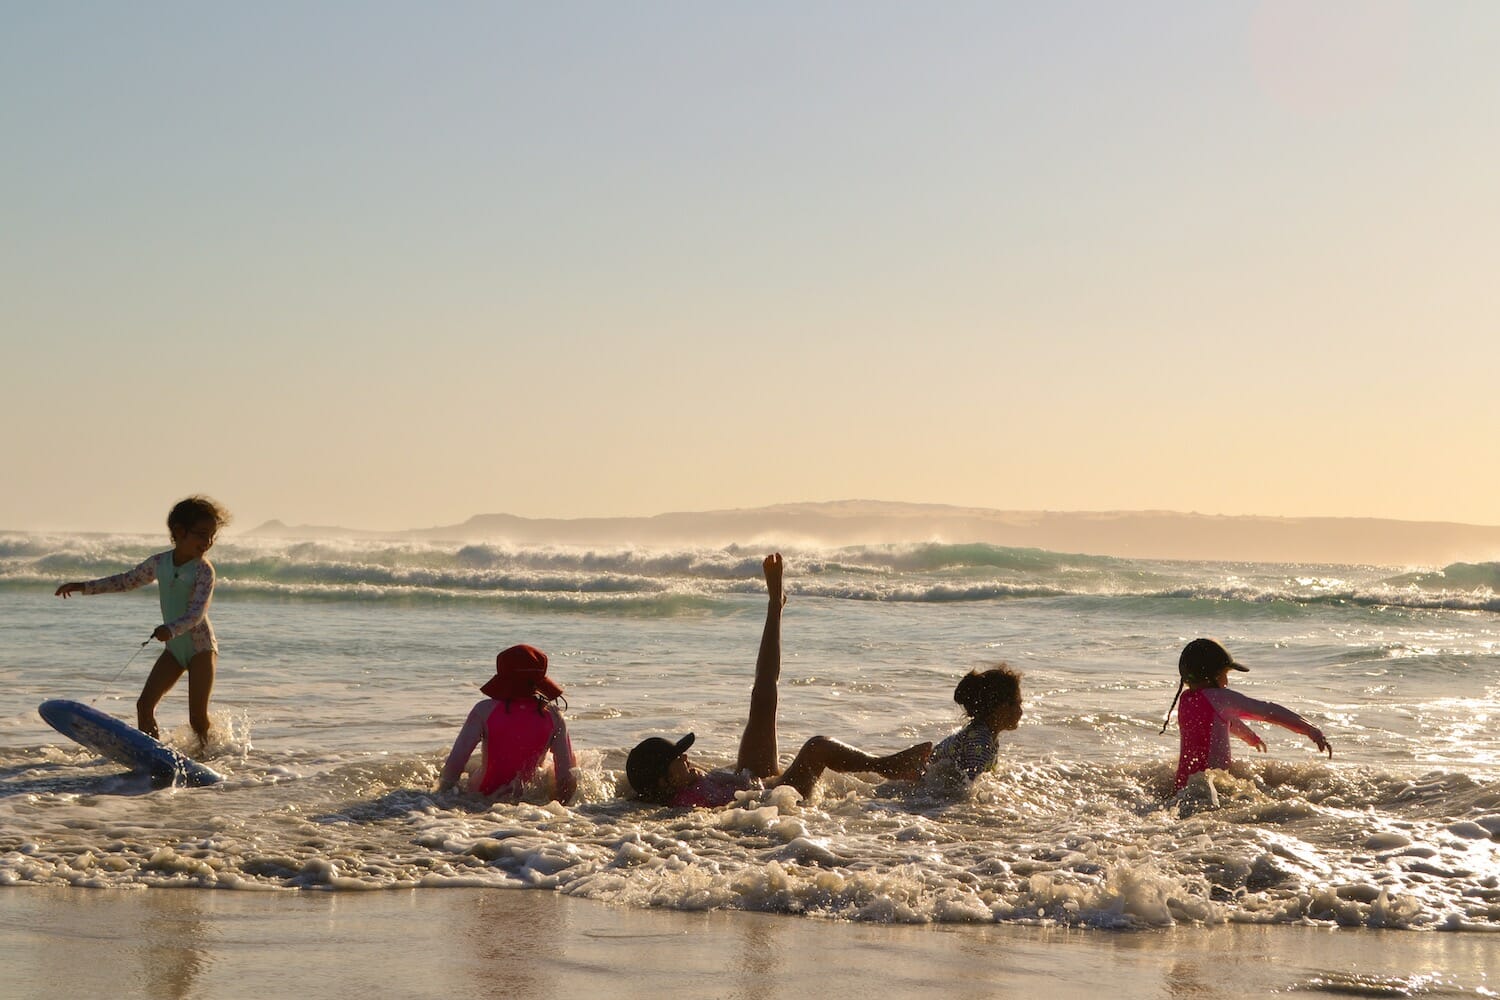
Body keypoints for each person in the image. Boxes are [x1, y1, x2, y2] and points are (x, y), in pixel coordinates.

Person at [626, 553, 933, 807]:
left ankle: (775, 605)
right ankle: (887, 766)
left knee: (762, 695)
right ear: (664, 782)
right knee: (817, 748)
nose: (686, 757)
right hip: (776, 794)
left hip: (749, 777)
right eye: (677, 758)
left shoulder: (682, 783)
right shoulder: (686, 801)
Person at [55, 495, 230, 748]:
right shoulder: (160, 563)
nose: (208, 542)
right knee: (144, 705)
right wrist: (83, 586)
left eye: (212, 536)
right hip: (174, 650)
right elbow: (125, 581)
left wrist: (171, 628)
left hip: (200, 649)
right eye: (202, 534)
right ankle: (153, 755)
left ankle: (211, 757)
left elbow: (197, 613)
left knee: (197, 719)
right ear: (179, 531)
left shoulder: (204, 570)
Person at [1160, 637, 1332, 791]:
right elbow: (1268, 711)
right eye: (1225, 674)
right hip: (1210, 786)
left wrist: (1250, 737)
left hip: (1184, 785)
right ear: (1213, 675)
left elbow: (1224, 722)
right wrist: (1310, 729)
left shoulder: (1186, 699)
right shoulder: (1219, 697)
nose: (1227, 681)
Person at [438, 644, 576, 803]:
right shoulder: (553, 715)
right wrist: (563, 805)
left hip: (482, 795)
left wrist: (442, 796)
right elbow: (566, 773)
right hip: (529, 799)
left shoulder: (484, 710)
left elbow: (455, 763)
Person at [923, 664, 1023, 787]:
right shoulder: (979, 741)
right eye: (1017, 704)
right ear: (998, 709)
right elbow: (970, 787)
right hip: (925, 782)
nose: (1020, 711)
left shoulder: (986, 735)